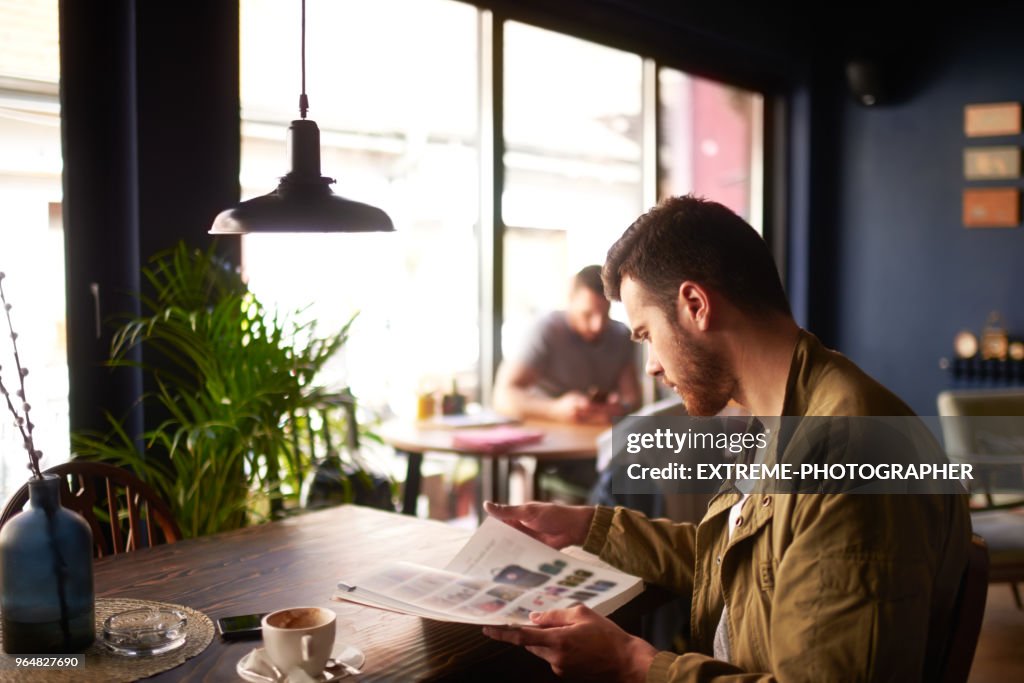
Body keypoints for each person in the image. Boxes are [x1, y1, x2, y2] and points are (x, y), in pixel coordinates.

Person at [481, 195, 971, 681]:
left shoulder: (846, 451)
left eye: (647, 334)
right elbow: (739, 561)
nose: (651, 365)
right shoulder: (786, 412)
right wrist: (589, 527)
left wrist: (632, 664)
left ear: (695, 305)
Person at [493, 265, 641, 426]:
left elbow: (633, 398)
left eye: (605, 315)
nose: (597, 326)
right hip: (549, 436)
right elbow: (502, 397)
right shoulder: (545, 330)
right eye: (587, 314)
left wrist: (620, 408)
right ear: (570, 299)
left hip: (595, 437)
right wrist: (554, 410)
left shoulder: (621, 336)